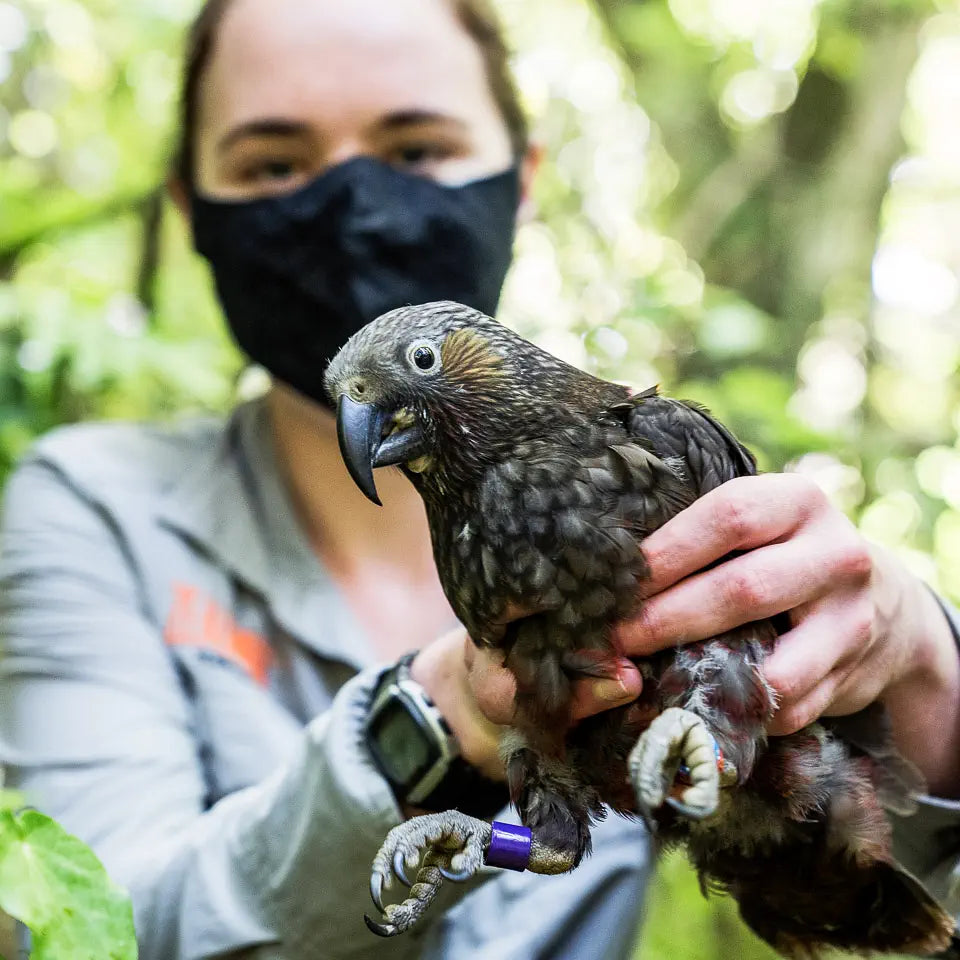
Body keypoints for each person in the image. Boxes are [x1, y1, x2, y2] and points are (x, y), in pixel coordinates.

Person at [1, 0, 959, 958]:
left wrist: (926, 663)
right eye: (276, 164)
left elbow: (847, 776)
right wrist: (428, 765)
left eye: (415, 148)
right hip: (570, 814)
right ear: (189, 206)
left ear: (524, 174)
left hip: (780, 808)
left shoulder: (647, 444)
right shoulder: (92, 511)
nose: (358, 204)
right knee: (533, 838)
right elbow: (95, 929)